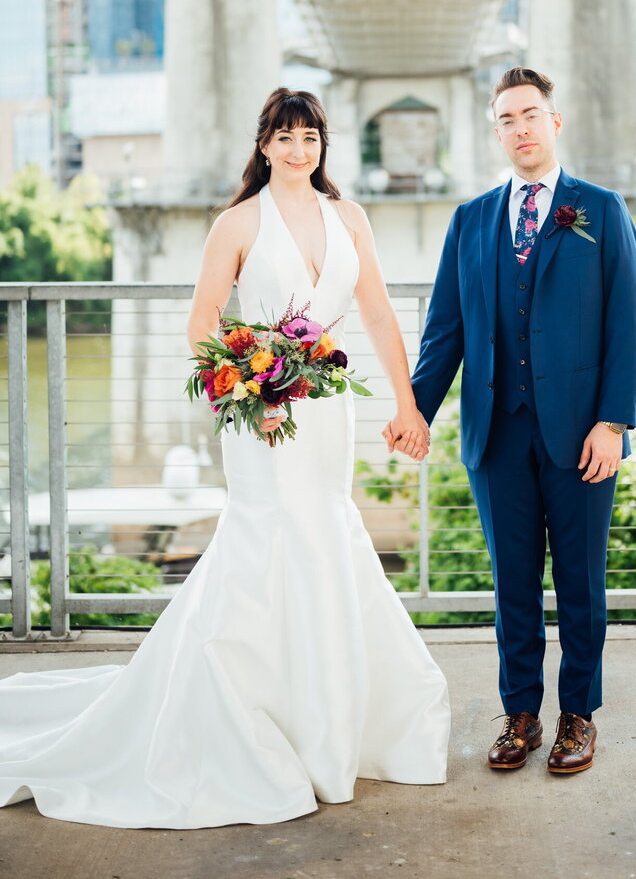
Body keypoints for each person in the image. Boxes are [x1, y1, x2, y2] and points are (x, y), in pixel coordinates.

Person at [0, 88, 449, 828]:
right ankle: (248, 711)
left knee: (327, 536)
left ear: (322, 145)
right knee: (267, 542)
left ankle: (331, 718)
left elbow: (374, 313)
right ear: (264, 144)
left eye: (311, 136)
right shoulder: (237, 222)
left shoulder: (351, 219)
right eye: (286, 136)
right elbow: (203, 324)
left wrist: (406, 406)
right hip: (262, 418)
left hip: (328, 412)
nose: (300, 149)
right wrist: (249, 383)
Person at [386, 67, 636, 776]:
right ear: (495, 131)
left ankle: (579, 717)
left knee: (582, 581)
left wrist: (613, 423)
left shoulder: (601, 208)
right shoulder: (470, 221)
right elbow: (446, 331)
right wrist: (414, 410)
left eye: (531, 114)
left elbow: (627, 324)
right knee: (513, 583)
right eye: (507, 118)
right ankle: (521, 715)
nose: (521, 128)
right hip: (497, 433)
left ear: (554, 123)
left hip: (581, 433)